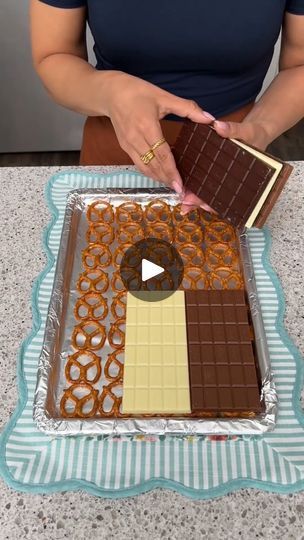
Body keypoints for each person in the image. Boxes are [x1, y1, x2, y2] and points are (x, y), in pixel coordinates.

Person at [30, 1, 304, 211]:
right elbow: (55, 54)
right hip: (119, 143)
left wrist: (261, 128)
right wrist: (113, 92)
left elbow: (299, 65)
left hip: (232, 152)